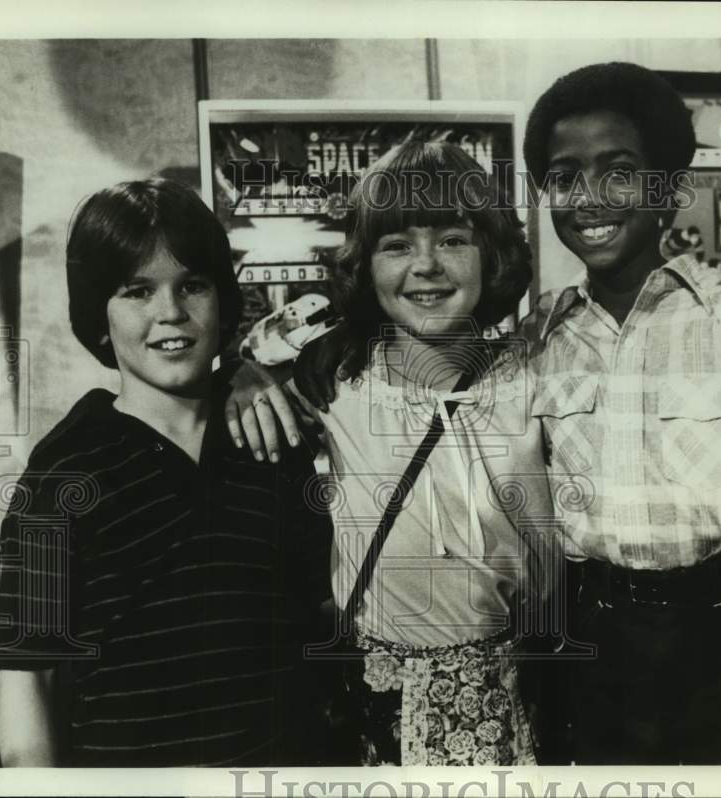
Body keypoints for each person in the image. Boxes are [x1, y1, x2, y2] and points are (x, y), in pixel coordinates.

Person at [248, 62, 721, 765]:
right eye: (565, 176)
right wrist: (249, 371)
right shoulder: (541, 338)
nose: (590, 197)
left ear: (668, 188)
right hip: (593, 647)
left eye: (619, 171)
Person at [227, 140, 565, 766]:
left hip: (514, 697)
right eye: (397, 245)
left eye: (453, 240)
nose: (427, 265)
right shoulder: (337, 382)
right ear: (366, 264)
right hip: (377, 705)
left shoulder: (534, 377)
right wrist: (238, 377)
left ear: (491, 253)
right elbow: (231, 371)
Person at [0, 178, 331, 766]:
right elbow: (31, 676)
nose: (170, 312)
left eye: (192, 286)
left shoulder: (274, 438)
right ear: (98, 316)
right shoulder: (61, 474)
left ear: (223, 299)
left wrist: (246, 369)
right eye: (137, 291)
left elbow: (313, 620)